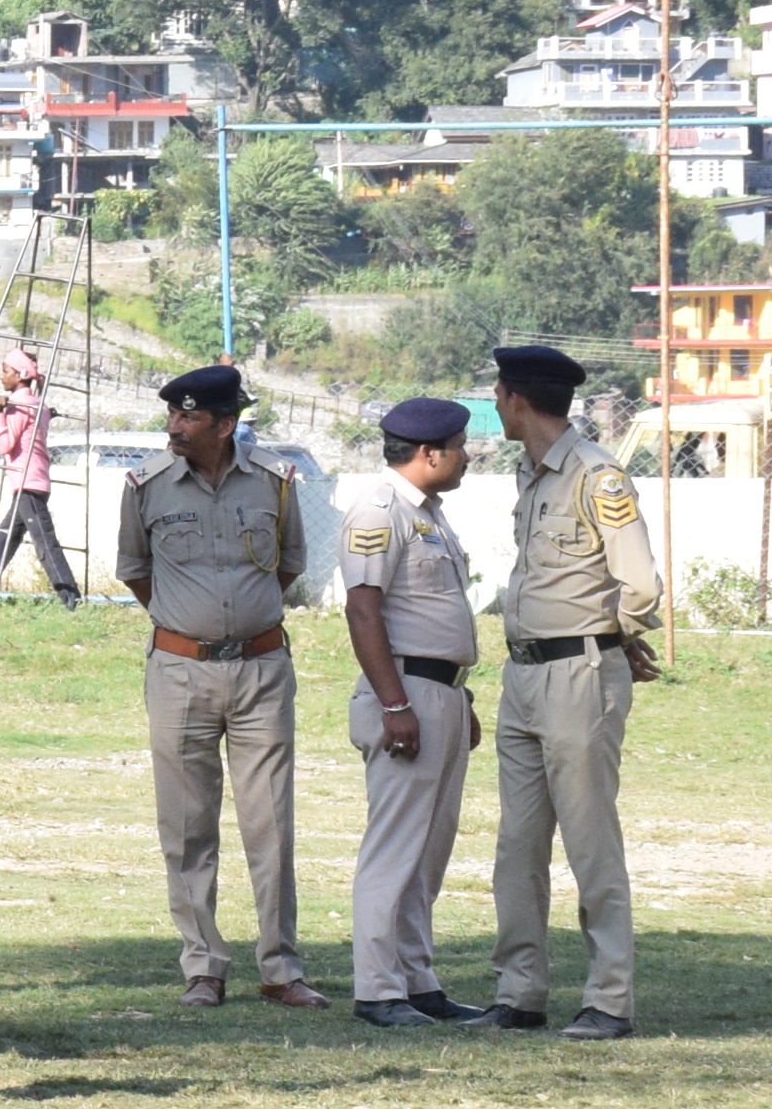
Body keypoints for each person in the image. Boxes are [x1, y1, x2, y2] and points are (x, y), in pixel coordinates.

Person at [115, 363, 321, 1010]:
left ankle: (281, 967)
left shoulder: (276, 483)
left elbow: (288, 565)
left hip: (261, 671)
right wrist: (191, 626)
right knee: (187, 824)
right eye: (173, 415)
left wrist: (239, 626)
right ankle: (203, 965)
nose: (175, 427)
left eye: (190, 417)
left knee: (271, 824)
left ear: (226, 425)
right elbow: (134, 571)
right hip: (179, 671)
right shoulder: (144, 488)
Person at [485, 342, 665, 1038]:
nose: (496, 406)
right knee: (518, 845)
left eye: (499, 395)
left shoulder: (596, 475)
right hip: (524, 673)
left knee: (590, 841)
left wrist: (613, 636)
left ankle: (608, 999)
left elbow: (640, 584)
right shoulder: (532, 476)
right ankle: (520, 992)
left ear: (518, 399)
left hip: (579, 676)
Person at [339, 396, 488, 1029]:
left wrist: (462, 697)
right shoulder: (380, 511)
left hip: (441, 694)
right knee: (395, 848)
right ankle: (377, 989)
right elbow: (363, 610)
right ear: (429, 454)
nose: (466, 455)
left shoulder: (428, 513)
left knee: (429, 851)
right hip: (405, 692)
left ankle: (417, 980)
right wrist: (395, 703)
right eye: (459, 446)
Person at [0, 348, 81, 605]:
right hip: (30, 482)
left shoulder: (20, 406)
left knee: (45, 543)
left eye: (6, 371)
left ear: (20, 375)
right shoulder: (36, 404)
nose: (2, 377)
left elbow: (5, 445)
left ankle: (72, 600)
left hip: (27, 483)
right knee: (2, 540)